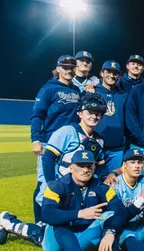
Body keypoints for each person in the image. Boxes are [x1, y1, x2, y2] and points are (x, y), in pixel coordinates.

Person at [0, 150, 130, 251]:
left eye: (89, 165)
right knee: (49, 228)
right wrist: (79, 214)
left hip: (83, 237)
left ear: (94, 167)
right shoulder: (58, 186)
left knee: (109, 216)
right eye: (81, 165)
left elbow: (121, 212)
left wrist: (111, 231)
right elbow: (47, 214)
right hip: (59, 241)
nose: (86, 169)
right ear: (71, 167)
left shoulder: (101, 187)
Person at [30, 55, 81, 222]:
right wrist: (35, 139)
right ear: (58, 69)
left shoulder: (76, 90)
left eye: (72, 67)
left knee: (64, 181)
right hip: (50, 142)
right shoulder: (49, 89)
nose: (68, 70)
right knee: (45, 182)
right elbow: (38, 114)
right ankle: (40, 220)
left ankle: (58, 218)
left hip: (70, 145)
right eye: (65, 67)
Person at [38, 93, 109, 207]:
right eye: (89, 112)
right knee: (50, 218)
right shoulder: (68, 131)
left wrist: (106, 178)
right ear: (80, 113)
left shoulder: (99, 139)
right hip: (61, 183)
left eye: (97, 114)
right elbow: (48, 157)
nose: (94, 116)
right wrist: (51, 183)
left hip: (80, 189)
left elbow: (100, 165)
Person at [93, 61, 128, 173]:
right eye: (108, 72)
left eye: (115, 73)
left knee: (114, 182)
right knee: (93, 182)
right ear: (101, 73)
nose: (111, 76)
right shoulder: (92, 92)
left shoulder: (123, 95)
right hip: (95, 146)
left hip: (116, 148)